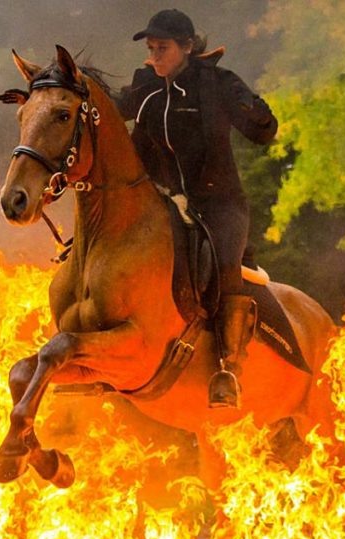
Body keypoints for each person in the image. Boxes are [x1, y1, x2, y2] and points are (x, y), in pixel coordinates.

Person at [118, 9, 278, 409]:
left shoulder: (215, 84)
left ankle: (228, 369)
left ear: (188, 47)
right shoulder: (146, 88)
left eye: (163, 48)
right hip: (163, 203)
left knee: (225, 267)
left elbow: (264, 130)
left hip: (220, 204)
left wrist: (250, 107)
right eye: (151, 49)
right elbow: (105, 107)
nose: (155, 57)